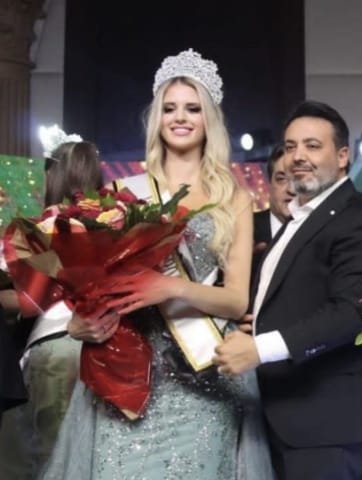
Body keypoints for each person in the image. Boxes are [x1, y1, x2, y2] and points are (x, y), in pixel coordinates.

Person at [40, 49, 273, 479]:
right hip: (129, 372)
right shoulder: (123, 192)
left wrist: (170, 287)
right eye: (169, 108)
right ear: (157, 118)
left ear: (210, 119)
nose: (180, 117)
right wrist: (79, 323)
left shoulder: (233, 198)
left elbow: (235, 299)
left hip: (202, 379)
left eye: (192, 108)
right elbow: (94, 285)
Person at [213, 100, 362, 479]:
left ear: (343, 156)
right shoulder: (298, 219)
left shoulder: (361, 218)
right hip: (282, 415)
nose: (298, 156)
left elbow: (354, 311)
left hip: (326, 423)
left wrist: (260, 348)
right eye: (290, 146)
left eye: (312, 146)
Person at [0, 131, 104, 479]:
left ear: (54, 175)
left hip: (55, 346)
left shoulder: (41, 228)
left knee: (48, 455)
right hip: (101, 346)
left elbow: (28, 298)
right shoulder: (111, 223)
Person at [253, 142, 295, 273]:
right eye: (282, 179)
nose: (291, 190)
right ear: (269, 184)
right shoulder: (243, 229)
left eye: (298, 179)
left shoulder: (325, 232)